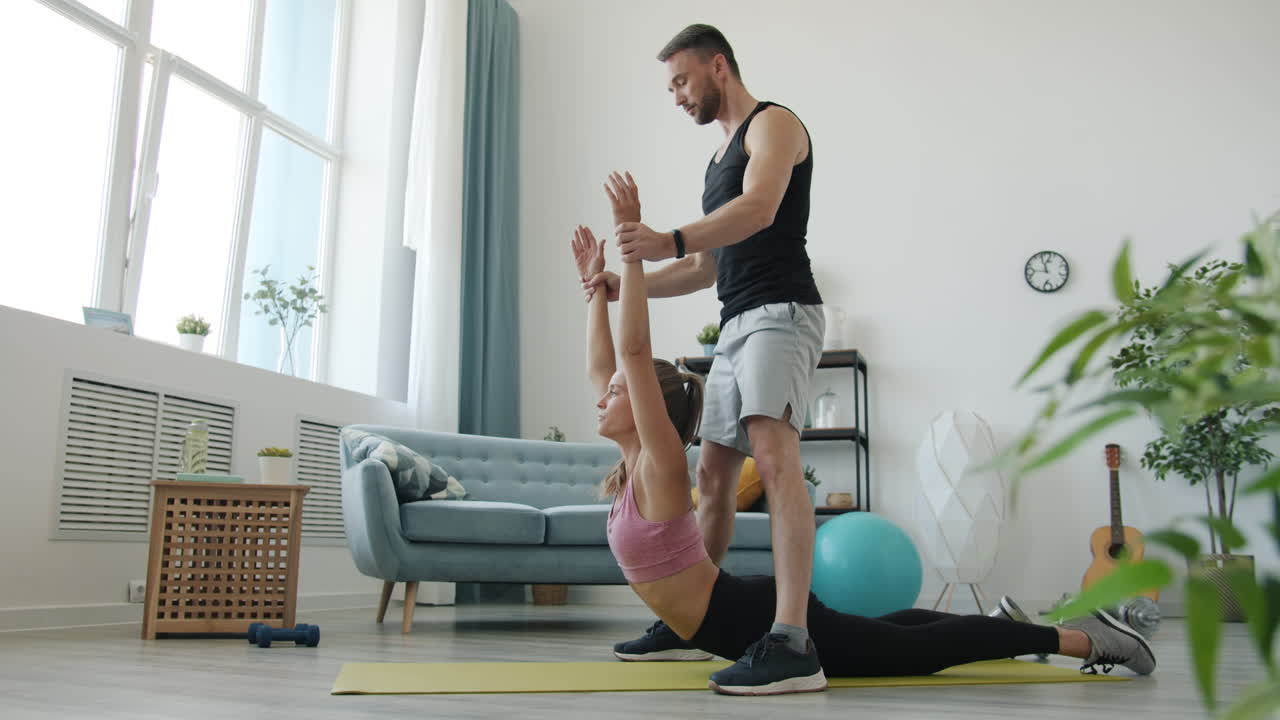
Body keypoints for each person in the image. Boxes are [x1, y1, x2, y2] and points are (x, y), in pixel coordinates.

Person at [573, 173, 1156, 696]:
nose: (603, 396)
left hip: (743, 618)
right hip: (732, 613)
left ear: (653, 410)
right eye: (611, 392)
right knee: (894, 630)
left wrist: (629, 246)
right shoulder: (633, 464)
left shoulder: (659, 464)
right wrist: (595, 291)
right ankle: (1017, 629)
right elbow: (609, 364)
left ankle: (1091, 640)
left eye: (619, 394)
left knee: (918, 653)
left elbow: (634, 351)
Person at [583, 23, 826, 690]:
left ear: (718, 67)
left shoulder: (772, 127)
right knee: (713, 477)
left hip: (783, 313)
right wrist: (623, 283)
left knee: (774, 460)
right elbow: (703, 268)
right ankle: (698, 623)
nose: (677, 96)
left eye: (682, 81)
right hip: (736, 323)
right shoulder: (717, 162)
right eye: (670, 88)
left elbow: (760, 209)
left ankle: (792, 638)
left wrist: (663, 239)